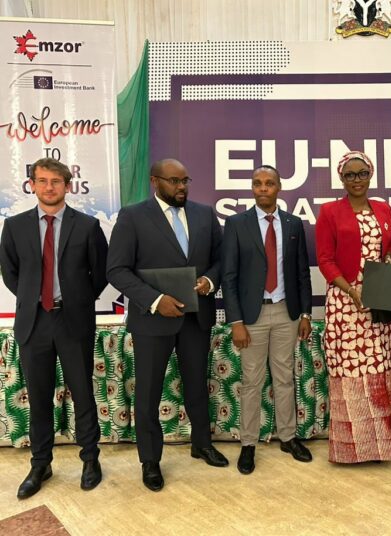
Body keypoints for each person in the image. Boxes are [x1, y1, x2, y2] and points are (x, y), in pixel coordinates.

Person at [107, 158, 228, 491]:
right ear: (154, 181)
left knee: (196, 385)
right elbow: (117, 270)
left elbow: (221, 260)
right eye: (174, 181)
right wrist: (156, 300)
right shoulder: (132, 217)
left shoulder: (205, 214)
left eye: (185, 181)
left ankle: (201, 444)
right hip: (152, 321)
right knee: (147, 393)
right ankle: (150, 461)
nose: (181, 187)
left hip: (196, 317)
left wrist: (209, 280)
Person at [0, 158, 108, 499]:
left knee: (83, 394)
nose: (49, 187)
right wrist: (35, 298)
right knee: (40, 397)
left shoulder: (88, 226)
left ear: (67, 185)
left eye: (56, 181)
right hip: (34, 323)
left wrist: (76, 300)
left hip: (73, 321)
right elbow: (11, 273)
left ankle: (90, 459)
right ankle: (40, 463)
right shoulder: (14, 226)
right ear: (32, 184)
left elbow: (101, 273)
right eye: (42, 181)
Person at [221, 165, 313, 474]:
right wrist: (236, 321)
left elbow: (301, 272)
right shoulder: (236, 224)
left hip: (286, 312)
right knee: (252, 381)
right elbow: (229, 276)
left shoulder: (293, 224)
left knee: (285, 377)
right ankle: (249, 443)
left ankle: (288, 437)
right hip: (252, 316)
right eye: (258, 183)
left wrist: (304, 314)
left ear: (279, 187)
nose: (263, 188)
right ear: (252, 188)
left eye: (269, 183)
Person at [315, 151, 391, 463]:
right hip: (346, 304)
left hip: (378, 304)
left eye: (362, 173)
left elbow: (388, 250)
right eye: (350, 175)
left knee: (378, 372)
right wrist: (352, 290)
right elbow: (325, 259)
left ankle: (380, 448)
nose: (357, 180)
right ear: (341, 178)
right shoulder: (329, 212)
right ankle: (351, 451)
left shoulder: (384, 209)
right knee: (351, 377)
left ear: (371, 174)